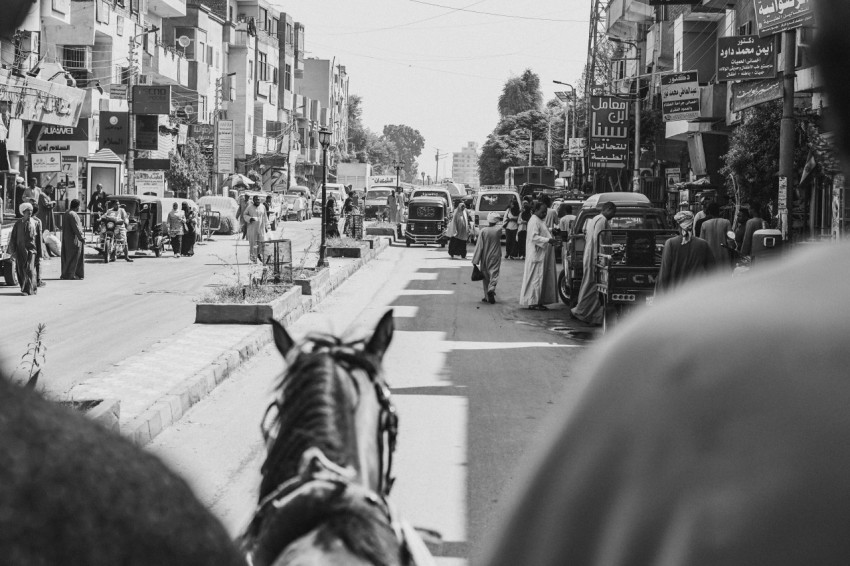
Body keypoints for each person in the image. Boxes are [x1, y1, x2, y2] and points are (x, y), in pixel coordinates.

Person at [571, 202, 617, 324]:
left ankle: (587, 313)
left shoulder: (595, 219)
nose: (613, 215)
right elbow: (599, 240)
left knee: (589, 285)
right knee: (592, 286)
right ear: (608, 209)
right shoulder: (601, 220)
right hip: (594, 257)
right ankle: (583, 312)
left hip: (591, 255)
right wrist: (602, 259)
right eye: (613, 212)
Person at [655, 210, 715, 295]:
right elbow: (712, 272)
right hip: (697, 295)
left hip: (675, 295)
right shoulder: (703, 244)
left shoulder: (671, 243)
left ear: (678, 226)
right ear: (691, 224)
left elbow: (664, 274)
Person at [519, 201, 558, 311]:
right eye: (542, 212)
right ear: (535, 210)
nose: (544, 214)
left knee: (539, 279)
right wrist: (548, 240)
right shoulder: (534, 221)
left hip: (540, 255)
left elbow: (542, 230)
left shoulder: (539, 220)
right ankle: (533, 302)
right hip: (536, 255)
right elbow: (534, 237)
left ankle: (538, 302)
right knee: (535, 280)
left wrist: (551, 230)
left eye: (545, 212)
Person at [8, 203, 41, 295]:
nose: (30, 213)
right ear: (23, 212)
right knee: (21, 270)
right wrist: (12, 252)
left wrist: (40, 253)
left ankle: (29, 289)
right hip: (20, 250)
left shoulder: (35, 223)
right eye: (27, 212)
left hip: (31, 250)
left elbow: (38, 239)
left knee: (30, 269)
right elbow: (13, 238)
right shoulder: (18, 223)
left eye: (31, 211)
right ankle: (25, 289)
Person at [472, 212, 503, 304]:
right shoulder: (499, 230)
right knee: (494, 274)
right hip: (496, 255)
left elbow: (479, 246)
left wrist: (475, 260)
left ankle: (486, 296)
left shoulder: (483, 231)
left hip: (485, 256)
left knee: (485, 276)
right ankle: (491, 288)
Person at [699, 202, 733, 271]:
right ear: (719, 211)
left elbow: (701, 244)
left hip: (710, 257)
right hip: (724, 256)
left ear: (709, 212)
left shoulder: (704, 224)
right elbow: (731, 241)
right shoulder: (726, 222)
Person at [60, 199, 86, 280]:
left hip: (66, 238)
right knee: (74, 257)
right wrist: (81, 238)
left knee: (67, 257)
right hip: (74, 239)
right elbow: (76, 228)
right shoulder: (73, 214)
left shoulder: (66, 213)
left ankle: (65, 274)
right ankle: (72, 274)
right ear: (77, 206)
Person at [243, 194, 268, 263]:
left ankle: (260, 256)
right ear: (253, 200)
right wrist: (249, 219)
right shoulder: (250, 207)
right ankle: (253, 259)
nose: (257, 201)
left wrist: (267, 226)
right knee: (253, 243)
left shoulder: (263, 207)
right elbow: (244, 215)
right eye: (256, 200)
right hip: (252, 228)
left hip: (261, 228)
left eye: (258, 200)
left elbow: (265, 216)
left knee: (262, 242)